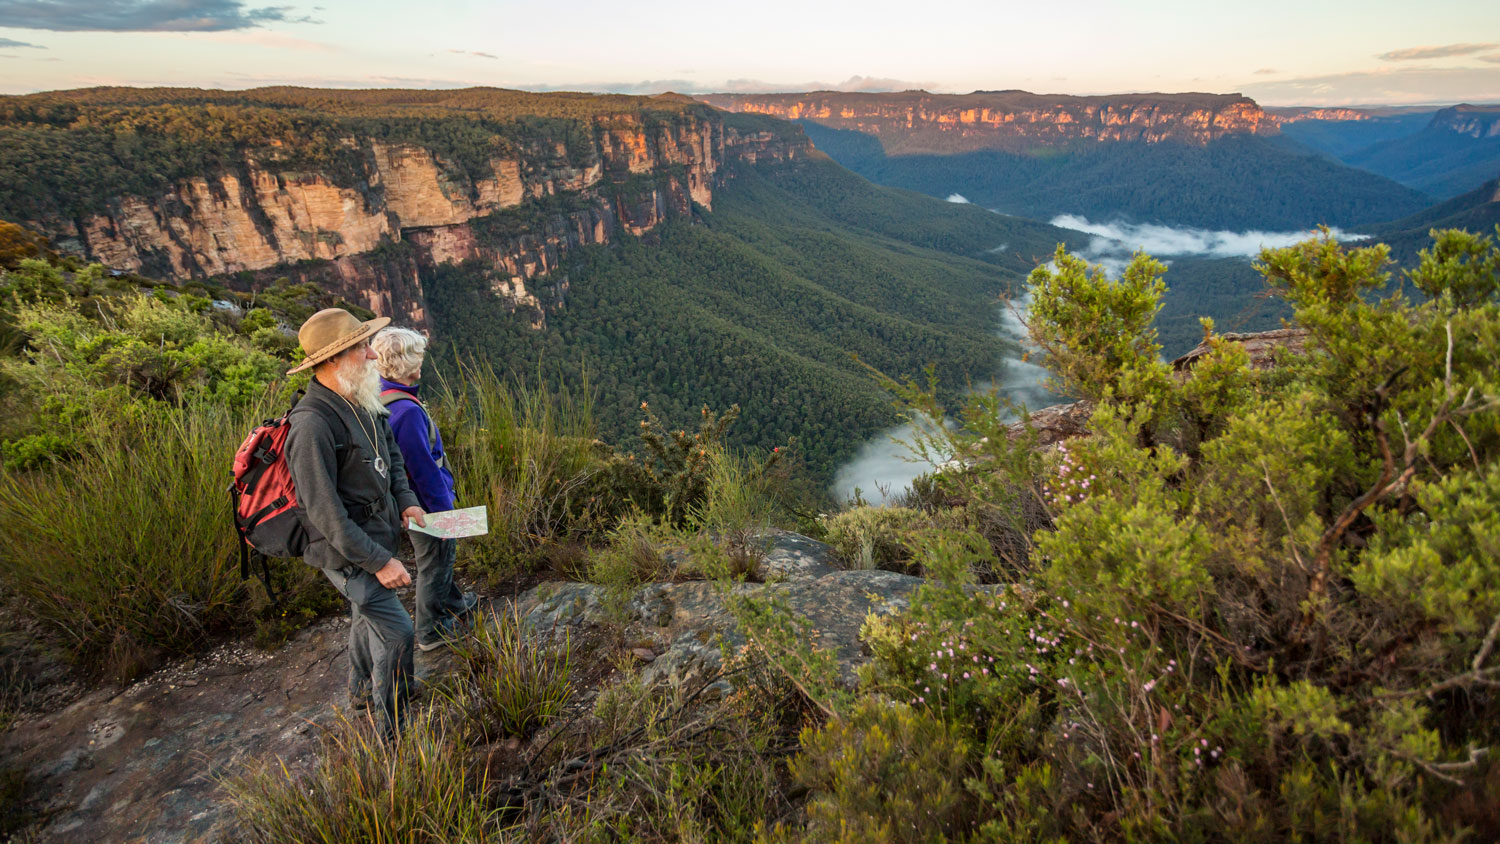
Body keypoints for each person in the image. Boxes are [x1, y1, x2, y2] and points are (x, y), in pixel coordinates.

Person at [284, 308, 427, 737]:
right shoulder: (310, 426)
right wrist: (380, 562)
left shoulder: (362, 397)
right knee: (399, 632)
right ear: (331, 360)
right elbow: (325, 512)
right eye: (360, 347)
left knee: (366, 616)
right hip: (348, 553)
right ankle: (392, 731)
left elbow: (392, 455)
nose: (371, 355)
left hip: (376, 533)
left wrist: (406, 500)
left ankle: (361, 691)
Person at [370, 326, 478, 651]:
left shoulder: (379, 395)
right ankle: (431, 631)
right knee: (435, 562)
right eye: (418, 356)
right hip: (427, 507)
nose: (422, 362)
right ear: (409, 365)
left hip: (410, 504)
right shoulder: (406, 412)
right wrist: (445, 510)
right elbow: (422, 469)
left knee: (440, 560)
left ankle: (456, 604)